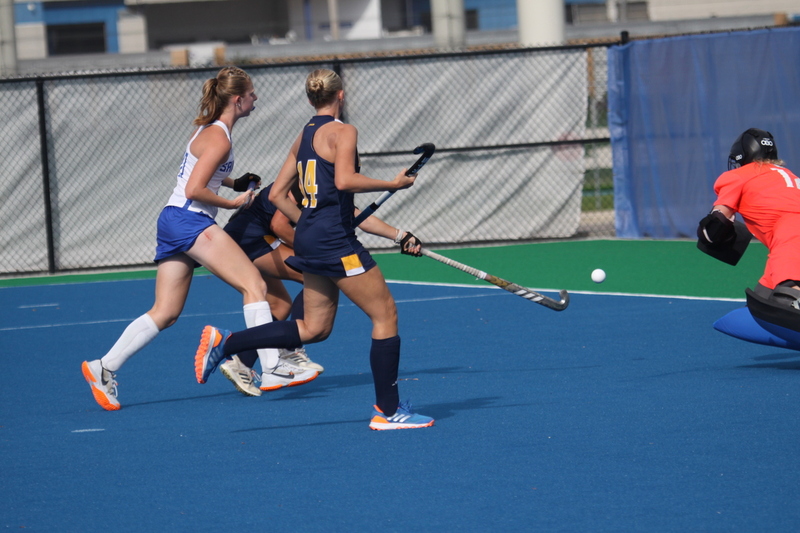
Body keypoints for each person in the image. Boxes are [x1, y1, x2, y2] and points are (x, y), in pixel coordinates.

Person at [194, 68, 434, 430]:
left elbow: (276, 195)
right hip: (335, 242)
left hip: (313, 237)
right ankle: (389, 411)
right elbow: (344, 181)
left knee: (314, 328)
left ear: (310, 99)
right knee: (385, 315)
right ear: (341, 95)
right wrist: (392, 183)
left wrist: (312, 222)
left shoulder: (303, 136)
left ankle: (229, 344)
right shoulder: (344, 131)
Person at [81, 66, 315, 411]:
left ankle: (102, 367)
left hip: (174, 220)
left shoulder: (211, 132)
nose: (255, 99)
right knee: (256, 287)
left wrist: (235, 182)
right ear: (237, 100)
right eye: (251, 94)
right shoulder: (219, 137)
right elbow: (195, 189)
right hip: (190, 220)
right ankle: (273, 367)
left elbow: (200, 176)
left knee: (166, 312)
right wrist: (232, 201)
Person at [219, 181, 425, 399]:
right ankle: (291, 349)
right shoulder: (303, 179)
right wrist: (312, 245)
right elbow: (279, 225)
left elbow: (360, 218)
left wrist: (400, 235)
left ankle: (240, 361)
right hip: (251, 240)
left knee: (280, 305)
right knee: (311, 275)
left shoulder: (325, 182)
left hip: (250, 238)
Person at [698, 127, 800, 304]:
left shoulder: (739, 175)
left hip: (791, 235)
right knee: (762, 299)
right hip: (786, 240)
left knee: (788, 297)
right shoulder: (787, 174)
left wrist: (708, 234)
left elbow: (716, 225)